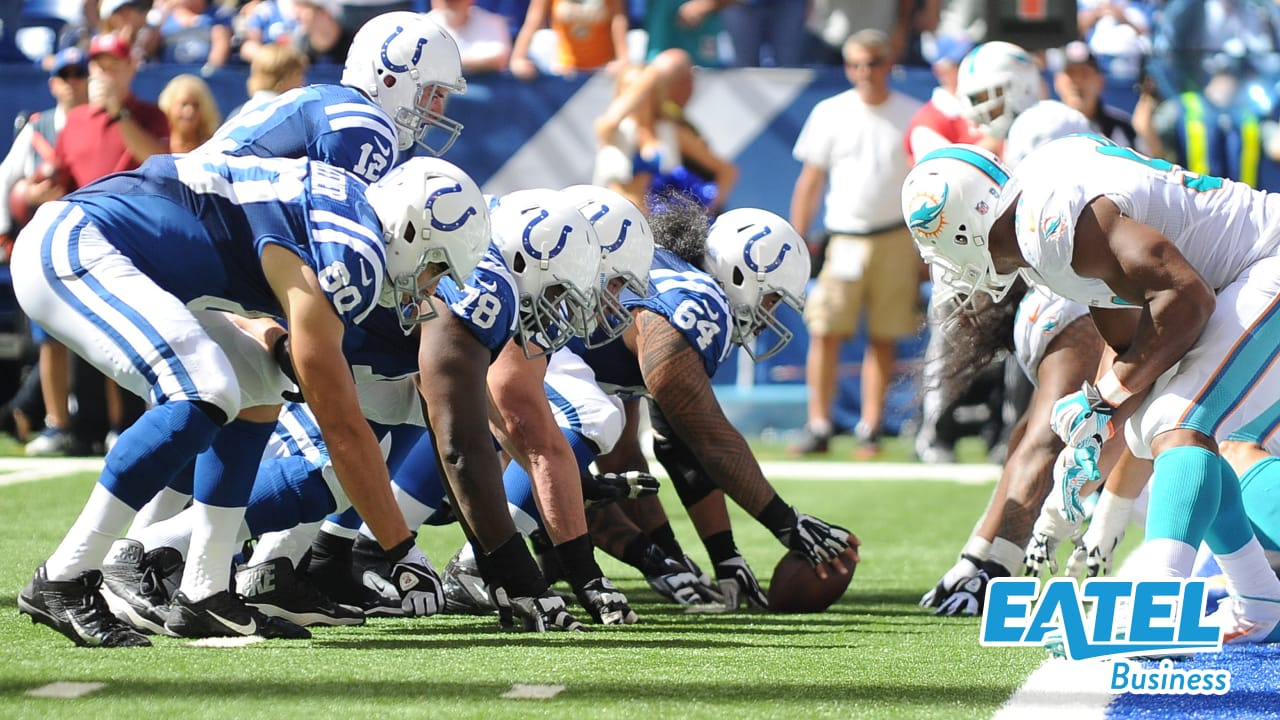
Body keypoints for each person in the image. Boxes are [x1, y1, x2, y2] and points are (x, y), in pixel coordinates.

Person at [12, 152, 465, 646]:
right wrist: (397, 545)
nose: (431, 283)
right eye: (436, 264)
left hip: (142, 262)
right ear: (408, 231)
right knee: (204, 388)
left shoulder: (350, 215)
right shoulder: (350, 251)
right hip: (82, 242)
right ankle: (65, 576)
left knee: (259, 379)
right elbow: (341, 427)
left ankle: (204, 589)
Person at [902, 137, 1280, 642]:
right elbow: (1132, 342)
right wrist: (1091, 442)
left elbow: (1186, 299)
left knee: (1178, 423)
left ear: (965, 224)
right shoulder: (1037, 226)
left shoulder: (1052, 227)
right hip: (1243, 270)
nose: (944, 263)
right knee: (1153, 430)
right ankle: (1258, 599)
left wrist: (1102, 397)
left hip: (1265, 260)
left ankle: (1157, 607)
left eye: (939, 242)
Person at [568, 202, 859, 609]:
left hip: (534, 375)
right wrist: (787, 524)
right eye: (772, 298)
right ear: (740, 274)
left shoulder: (669, 283)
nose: (768, 314)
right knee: (557, 463)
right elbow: (709, 440)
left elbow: (648, 452)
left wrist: (706, 555)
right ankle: (487, 564)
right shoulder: (695, 301)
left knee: (595, 432)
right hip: (513, 376)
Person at [788, 29, 922, 459]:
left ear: (889, 64)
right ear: (848, 67)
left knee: (884, 336)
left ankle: (870, 425)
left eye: (874, 62)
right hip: (844, 236)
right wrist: (797, 237)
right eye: (858, 64)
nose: (866, 72)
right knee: (825, 329)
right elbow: (810, 181)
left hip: (896, 235)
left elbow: (926, 187)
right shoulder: (830, 112)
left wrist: (926, 248)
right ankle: (819, 422)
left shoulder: (913, 115)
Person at [201, 11, 466, 173]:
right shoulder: (360, 125)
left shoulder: (335, 105)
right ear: (390, 80)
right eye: (434, 95)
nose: (436, 112)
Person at [508, 0, 629, 80]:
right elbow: (534, 19)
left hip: (603, 69)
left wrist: (622, 58)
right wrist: (518, 58)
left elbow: (618, 17)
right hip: (565, 69)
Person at [1053, 40, 1140, 150]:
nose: (1078, 81)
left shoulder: (1124, 128)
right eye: (1071, 74)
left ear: (1100, 81)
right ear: (1057, 81)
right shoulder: (1045, 127)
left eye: (1085, 73)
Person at [226, 43, 310, 121]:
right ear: (287, 76)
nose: (303, 81)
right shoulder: (289, 118)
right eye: (298, 74)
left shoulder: (238, 114)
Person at [426, 0, 513, 74]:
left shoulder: (494, 22)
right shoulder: (423, 24)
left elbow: (500, 59)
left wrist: (448, 63)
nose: (452, 2)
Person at [158, 74, 222, 154]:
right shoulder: (155, 145)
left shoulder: (213, 149)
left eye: (196, 105)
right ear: (169, 106)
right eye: (184, 104)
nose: (190, 111)